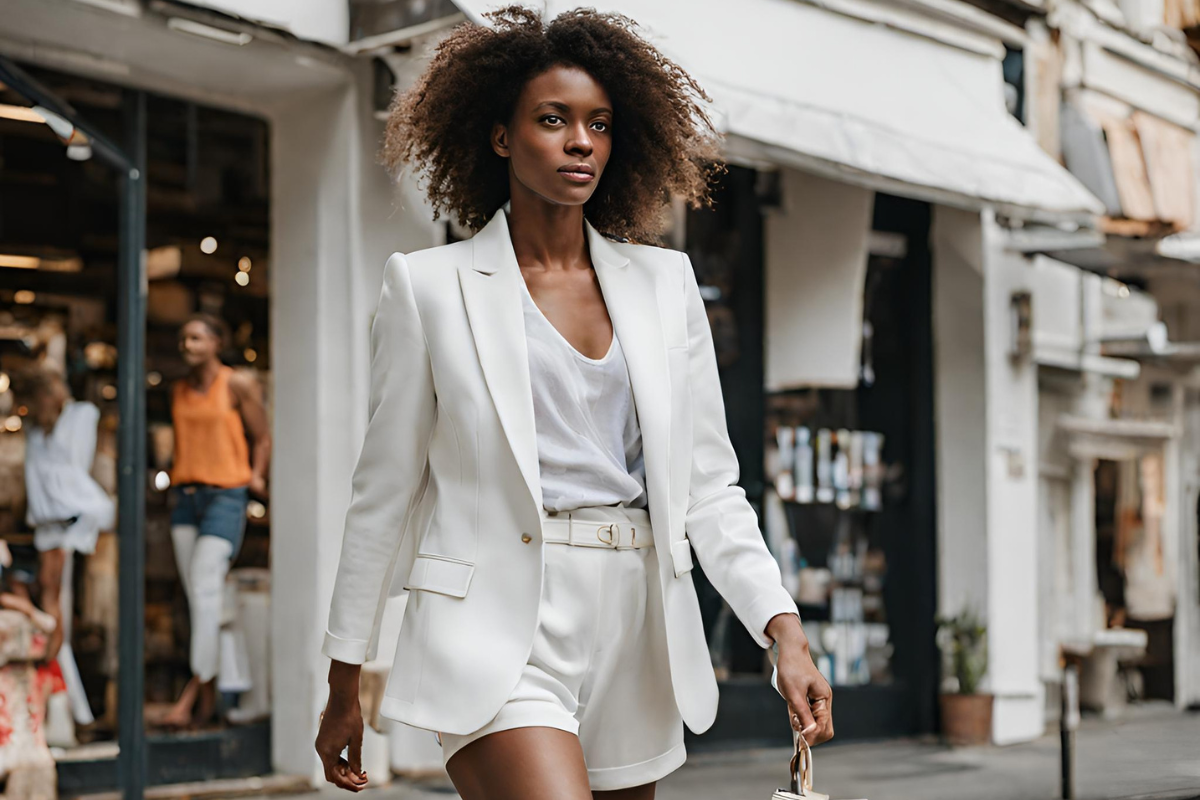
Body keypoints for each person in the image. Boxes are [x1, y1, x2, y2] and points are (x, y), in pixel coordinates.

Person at [315, 6, 834, 797]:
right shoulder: (429, 288)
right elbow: (381, 492)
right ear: (500, 136)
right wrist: (343, 676)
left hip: (637, 627)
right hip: (494, 627)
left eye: (598, 123)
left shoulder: (664, 288)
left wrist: (782, 630)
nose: (581, 141)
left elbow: (707, 487)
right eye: (553, 120)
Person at [164, 313, 270, 728]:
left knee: (205, 586)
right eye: (183, 338)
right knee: (200, 597)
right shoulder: (177, 391)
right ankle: (211, 696)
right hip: (186, 498)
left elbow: (262, 435)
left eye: (195, 338)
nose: (186, 345)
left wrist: (256, 476)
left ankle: (193, 691)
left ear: (215, 342)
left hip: (226, 495)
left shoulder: (236, 384)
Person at [21, 367, 115, 733]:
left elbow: (73, 469)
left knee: (55, 610)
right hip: (47, 527)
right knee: (51, 610)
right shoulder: (34, 431)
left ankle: (72, 709)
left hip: (71, 523)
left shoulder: (80, 417)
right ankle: (71, 707)